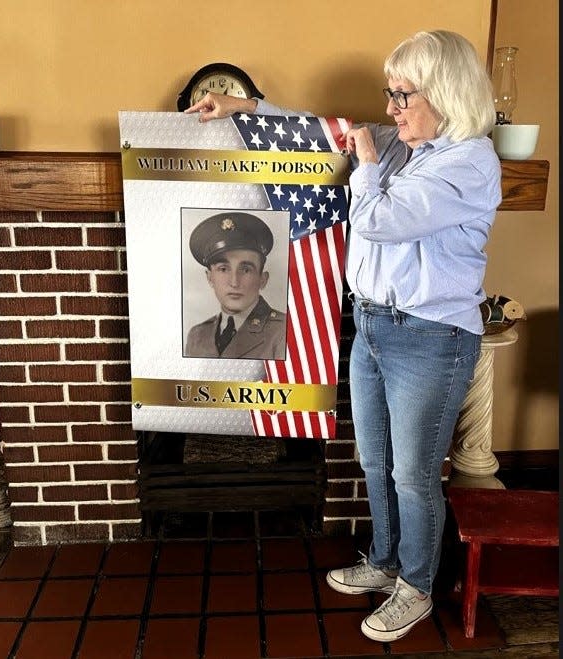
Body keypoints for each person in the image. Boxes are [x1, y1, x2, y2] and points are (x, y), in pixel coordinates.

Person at [186, 30, 501, 642]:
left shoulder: (469, 161)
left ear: (445, 93)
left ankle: (416, 584)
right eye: (391, 95)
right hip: (373, 324)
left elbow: (380, 220)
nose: (390, 110)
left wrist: (366, 165)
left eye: (402, 95)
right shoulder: (404, 142)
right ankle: (385, 562)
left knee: (412, 473)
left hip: (430, 337)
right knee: (375, 459)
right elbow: (320, 133)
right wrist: (244, 109)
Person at [185, 211, 287, 359]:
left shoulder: (284, 332)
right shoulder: (196, 336)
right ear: (209, 278)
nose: (234, 282)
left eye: (246, 270)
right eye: (223, 269)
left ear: (262, 279)